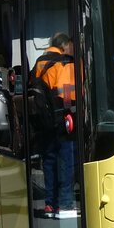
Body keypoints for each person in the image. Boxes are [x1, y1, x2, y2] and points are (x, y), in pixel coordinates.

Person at [31, 32, 77, 218]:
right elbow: (66, 93)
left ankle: (50, 204)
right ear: (64, 46)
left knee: (49, 161)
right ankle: (65, 204)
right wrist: (71, 113)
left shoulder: (40, 62)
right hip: (61, 117)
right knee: (66, 159)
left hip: (43, 119)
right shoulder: (63, 62)